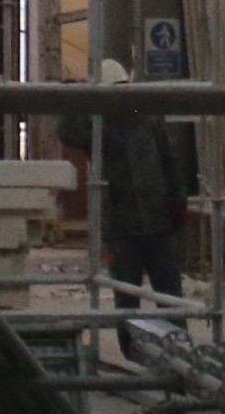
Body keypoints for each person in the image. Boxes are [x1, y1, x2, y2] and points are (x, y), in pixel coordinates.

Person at [57, 57, 196, 305]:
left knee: (167, 294)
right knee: (130, 296)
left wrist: (178, 200)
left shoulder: (144, 115)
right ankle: (136, 343)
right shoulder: (97, 122)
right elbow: (68, 133)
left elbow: (168, 158)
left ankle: (174, 340)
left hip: (153, 220)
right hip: (125, 225)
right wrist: (74, 101)